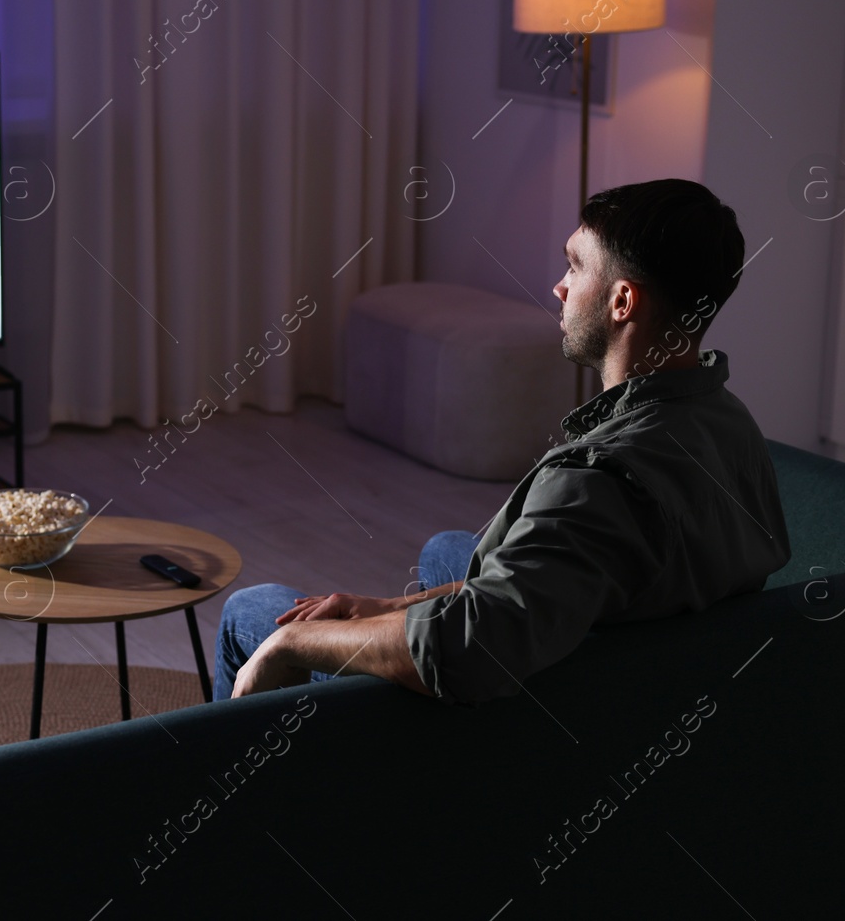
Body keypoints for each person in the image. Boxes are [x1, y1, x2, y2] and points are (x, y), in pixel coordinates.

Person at [217, 178, 791, 702]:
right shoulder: (729, 422)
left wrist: (293, 645)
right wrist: (390, 607)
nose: (559, 286)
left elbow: (465, 648)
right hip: (658, 688)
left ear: (622, 302)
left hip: (535, 724)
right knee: (450, 547)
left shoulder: (596, 481)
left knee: (251, 611)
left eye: (575, 266)